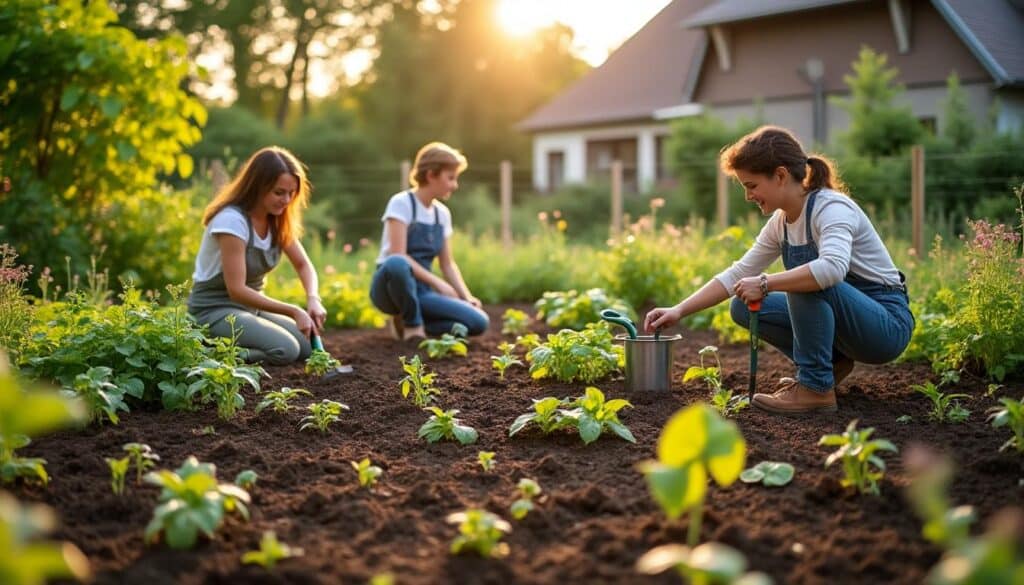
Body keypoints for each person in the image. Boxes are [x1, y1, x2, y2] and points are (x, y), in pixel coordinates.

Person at [644, 126, 913, 415]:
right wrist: (678, 310)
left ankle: (814, 389)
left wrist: (766, 282)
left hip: (885, 326)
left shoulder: (831, 208)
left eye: (751, 185)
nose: (748, 196)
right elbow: (737, 273)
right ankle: (829, 366)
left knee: (801, 280)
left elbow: (832, 269)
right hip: (849, 321)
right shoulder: (781, 223)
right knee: (743, 306)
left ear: (781, 175)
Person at [187, 146, 326, 365]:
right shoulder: (232, 221)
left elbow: (302, 264)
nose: (286, 200)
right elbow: (237, 290)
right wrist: (293, 310)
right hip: (214, 311)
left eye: (291, 193)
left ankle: (240, 345)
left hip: (251, 309)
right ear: (257, 187)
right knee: (286, 349)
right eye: (279, 192)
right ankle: (209, 356)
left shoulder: (277, 220)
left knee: (307, 344)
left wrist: (313, 299)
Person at [370, 142, 489, 340]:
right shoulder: (401, 203)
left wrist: (466, 297)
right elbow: (397, 254)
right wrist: (438, 283)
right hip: (390, 288)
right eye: (450, 178)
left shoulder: (442, 214)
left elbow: (447, 264)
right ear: (431, 174)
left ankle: (413, 321)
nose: (455, 185)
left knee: (478, 322)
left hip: (422, 291)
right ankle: (412, 326)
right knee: (397, 263)